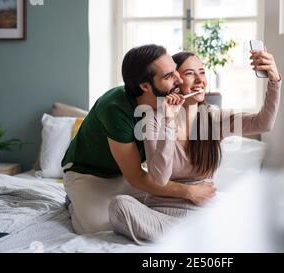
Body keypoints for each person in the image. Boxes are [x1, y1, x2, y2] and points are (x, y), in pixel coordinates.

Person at [108, 48, 282, 244]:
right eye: (190, 74)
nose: (200, 80)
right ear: (174, 82)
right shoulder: (153, 119)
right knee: (119, 205)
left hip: (205, 211)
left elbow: (263, 123)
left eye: (202, 72)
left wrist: (274, 80)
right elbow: (159, 177)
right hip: (160, 214)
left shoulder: (214, 117)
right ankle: (199, 235)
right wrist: (169, 121)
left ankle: (192, 235)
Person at [61, 44, 217, 235]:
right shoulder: (115, 108)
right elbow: (135, 176)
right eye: (169, 76)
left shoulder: (166, 102)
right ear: (145, 86)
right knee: (99, 229)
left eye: (176, 71)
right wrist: (189, 192)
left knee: (152, 211)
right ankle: (73, 200)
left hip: (125, 174)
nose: (179, 80)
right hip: (88, 174)